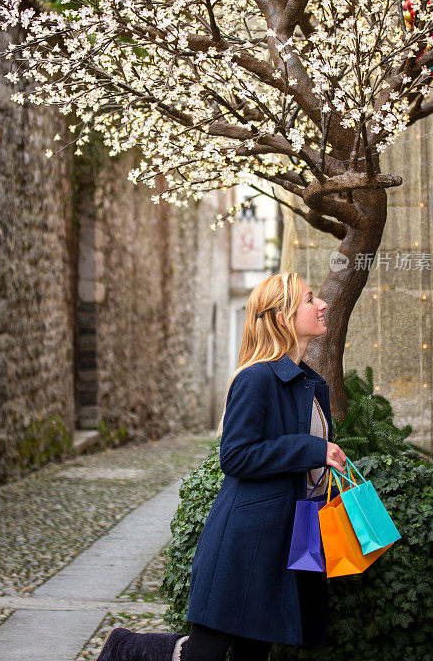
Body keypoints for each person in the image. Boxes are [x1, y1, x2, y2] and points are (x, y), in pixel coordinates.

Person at [96, 271, 347, 661]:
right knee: (205, 654)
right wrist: (311, 449)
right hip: (247, 539)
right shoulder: (257, 378)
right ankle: (125, 647)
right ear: (282, 317)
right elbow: (235, 455)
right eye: (310, 299)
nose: (322, 304)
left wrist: (326, 457)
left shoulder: (307, 383)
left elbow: (301, 454)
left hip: (289, 536)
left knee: (253, 653)